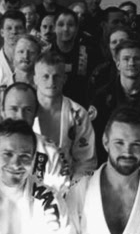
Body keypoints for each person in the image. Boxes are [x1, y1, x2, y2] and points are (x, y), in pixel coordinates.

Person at [0, 83, 69, 196]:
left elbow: (61, 198)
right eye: (13, 109)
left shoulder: (50, 152)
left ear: (36, 113)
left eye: (28, 110)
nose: (20, 116)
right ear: (2, 111)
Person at [34, 52, 96, 180]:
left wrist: (74, 188)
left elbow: (86, 161)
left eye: (56, 76)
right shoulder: (24, 109)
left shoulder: (78, 114)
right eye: (45, 76)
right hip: (28, 184)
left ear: (64, 79)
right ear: (35, 79)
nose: (51, 82)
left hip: (67, 185)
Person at [90, 39, 140, 150]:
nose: (131, 63)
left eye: (136, 58)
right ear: (118, 64)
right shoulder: (102, 97)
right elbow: (95, 134)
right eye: (126, 59)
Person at [0, 34, 42, 128]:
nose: (26, 56)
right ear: (13, 56)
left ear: (38, 57)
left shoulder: (45, 90)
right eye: (21, 52)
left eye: (31, 52)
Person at [51, 9, 97, 103]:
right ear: (54, 28)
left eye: (70, 25)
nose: (65, 29)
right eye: (61, 25)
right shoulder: (46, 53)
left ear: (77, 28)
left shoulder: (89, 53)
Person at [87, 27, 131, 99]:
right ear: (109, 46)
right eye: (114, 42)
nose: (118, 45)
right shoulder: (100, 72)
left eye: (123, 41)